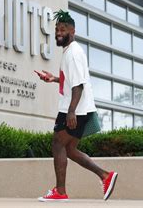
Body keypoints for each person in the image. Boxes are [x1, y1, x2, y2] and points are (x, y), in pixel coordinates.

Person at [34, 10, 117, 202]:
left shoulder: (73, 53)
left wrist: (71, 112)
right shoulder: (69, 52)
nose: (58, 32)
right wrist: (54, 79)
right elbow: (72, 82)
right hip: (76, 109)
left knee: (57, 143)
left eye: (63, 29)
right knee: (69, 149)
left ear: (73, 31)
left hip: (75, 110)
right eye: (56, 29)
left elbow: (79, 85)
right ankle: (105, 176)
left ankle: (60, 192)